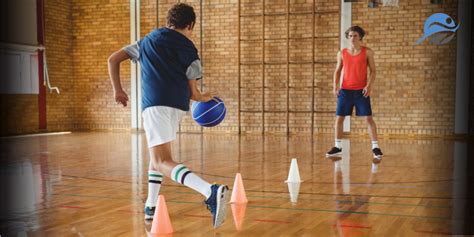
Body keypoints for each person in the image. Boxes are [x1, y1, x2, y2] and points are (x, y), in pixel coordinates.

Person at [107, 3, 228, 228]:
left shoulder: (146, 42)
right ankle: (151, 206)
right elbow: (194, 93)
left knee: (162, 161)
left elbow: (113, 59)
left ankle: (209, 190)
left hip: (155, 106)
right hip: (177, 108)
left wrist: (118, 90)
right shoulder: (190, 50)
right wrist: (205, 97)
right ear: (190, 25)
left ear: (168, 21)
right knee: (158, 158)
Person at [326, 26, 384, 159]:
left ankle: (375, 147)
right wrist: (335, 86)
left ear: (360, 37)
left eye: (355, 36)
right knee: (339, 118)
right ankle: (337, 146)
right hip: (345, 91)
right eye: (350, 36)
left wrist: (369, 86)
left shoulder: (367, 52)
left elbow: (373, 71)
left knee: (368, 118)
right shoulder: (342, 53)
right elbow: (337, 71)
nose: (352, 38)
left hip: (361, 92)